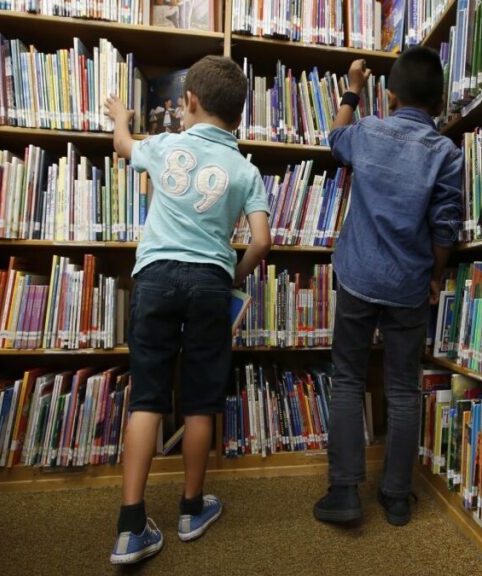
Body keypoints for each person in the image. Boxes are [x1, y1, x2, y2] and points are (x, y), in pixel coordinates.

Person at [103, 55, 272, 564]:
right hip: (209, 283)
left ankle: (131, 526)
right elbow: (262, 240)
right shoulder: (245, 170)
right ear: (239, 117)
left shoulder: (165, 145)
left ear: (189, 103)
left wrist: (121, 119)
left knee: (147, 397)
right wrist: (233, 276)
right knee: (200, 399)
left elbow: (123, 147)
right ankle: (192, 508)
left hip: (154, 278)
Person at [313, 47, 463, 527]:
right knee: (402, 387)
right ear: (439, 106)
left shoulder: (369, 130)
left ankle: (343, 492)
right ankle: (397, 496)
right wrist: (435, 275)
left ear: (391, 96)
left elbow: (334, 137)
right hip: (407, 285)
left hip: (358, 276)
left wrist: (353, 88)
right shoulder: (446, 153)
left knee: (348, 379)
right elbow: (445, 228)